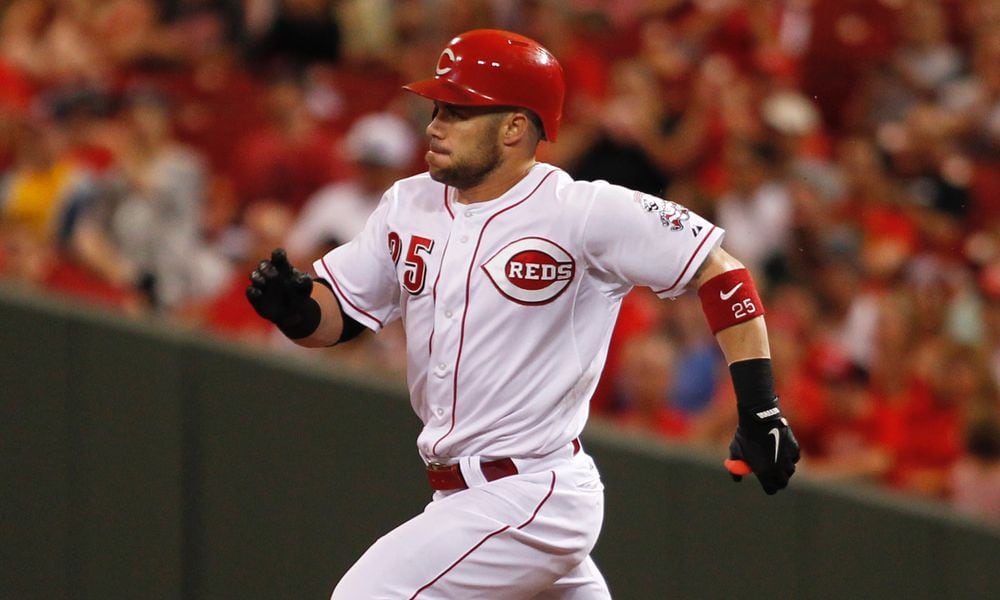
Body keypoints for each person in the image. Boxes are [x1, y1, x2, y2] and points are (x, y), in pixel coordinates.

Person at [246, 29, 800, 599]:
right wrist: (295, 309)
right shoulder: (407, 204)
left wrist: (760, 408)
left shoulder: (580, 212)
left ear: (514, 127)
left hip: (533, 491)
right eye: (437, 108)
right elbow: (342, 317)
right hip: (463, 496)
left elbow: (721, 270)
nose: (434, 125)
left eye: (459, 111)